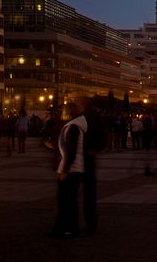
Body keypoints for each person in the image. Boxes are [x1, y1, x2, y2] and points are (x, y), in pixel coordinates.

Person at [50, 101, 88, 238]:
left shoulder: (73, 127)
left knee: (67, 200)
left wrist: (65, 170)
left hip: (71, 170)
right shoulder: (74, 126)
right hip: (73, 168)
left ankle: (69, 228)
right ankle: (64, 227)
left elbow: (71, 152)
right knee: (67, 200)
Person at [81, 96, 106, 230]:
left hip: (87, 158)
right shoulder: (78, 118)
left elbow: (102, 138)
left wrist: (93, 149)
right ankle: (88, 220)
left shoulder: (94, 118)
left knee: (89, 192)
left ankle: (91, 221)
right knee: (87, 192)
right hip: (78, 158)